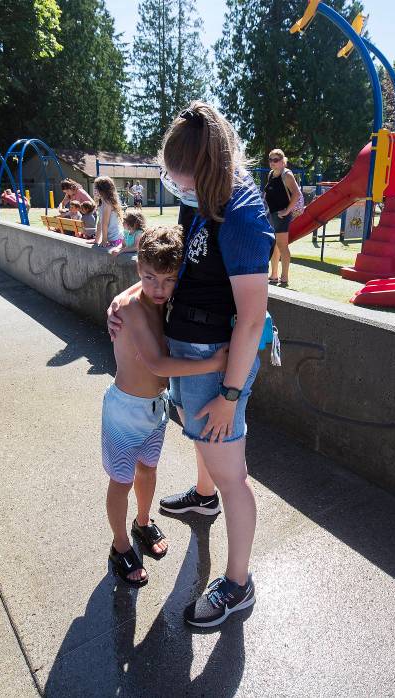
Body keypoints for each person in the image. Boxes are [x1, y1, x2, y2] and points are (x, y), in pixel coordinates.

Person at [108, 101, 274, 628]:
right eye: (175, 183)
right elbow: (178, 262)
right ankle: (203, 501)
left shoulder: (244, 214)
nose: (182, 194)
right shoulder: (200, 197)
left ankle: (239, 584)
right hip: (191, 353)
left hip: (215, 361)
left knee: (233, 475)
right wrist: (133, 291)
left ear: (211, 170)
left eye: (186, 184)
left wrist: (229, 395)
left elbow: (251, 320)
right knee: (204, 448)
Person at [102, 225, 229, 586]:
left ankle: (142, 522)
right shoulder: (132, 308)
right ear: (138, 269)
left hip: (155, 409)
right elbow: (157, 363)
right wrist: (215, 363)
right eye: (149, 278)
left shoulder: (165, 298)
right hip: (124, 411)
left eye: (168, 279)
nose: (158, 288)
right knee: (120, 481)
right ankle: (121, 544)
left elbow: (156, 284)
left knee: (147, 470)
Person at [262, 149, 301, 287]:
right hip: (271, 214)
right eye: (270, 159)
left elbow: (297, 194)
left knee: (283, 246)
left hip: (281, 215)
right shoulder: (271, 174)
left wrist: (286, 211)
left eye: (276, 160)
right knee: (275, 245)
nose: (272, 162)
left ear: (282, 161)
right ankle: (274, 275)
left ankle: (284, 278)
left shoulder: (287, 175)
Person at [94, 176, 124, 250]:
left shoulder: (108, 203)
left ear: (103, 190)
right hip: (109, 238)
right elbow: (99, 222)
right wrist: (96, 240)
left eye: (96, 188)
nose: (94, 190)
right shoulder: (102, 202)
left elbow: (105, 223)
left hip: (115, 239)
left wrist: (104, 240)